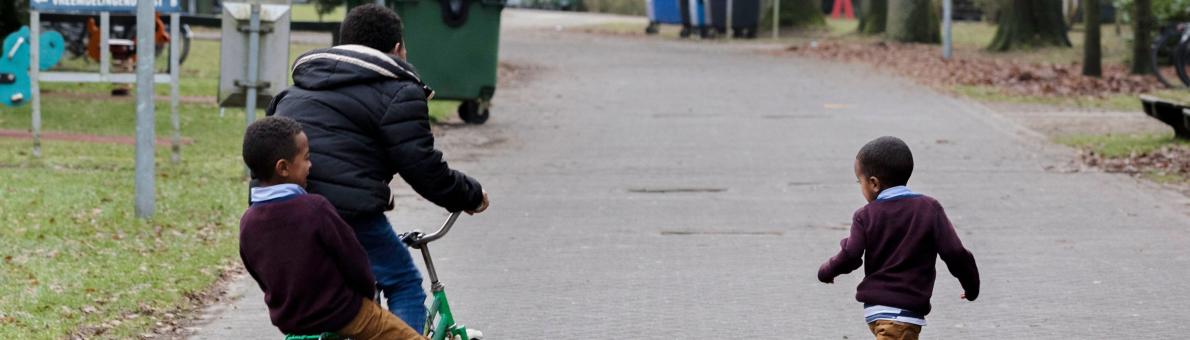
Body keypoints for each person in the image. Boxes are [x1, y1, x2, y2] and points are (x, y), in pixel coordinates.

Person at [265, 3, 489, 331]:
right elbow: (424, 168)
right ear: (397, 49)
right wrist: (471, 196)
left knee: (331, 293)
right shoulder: (399, 91)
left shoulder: (293, 92)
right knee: (403, 283)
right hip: (345, 213)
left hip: (277, 212)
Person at [238, 116, 422, 340]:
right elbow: (354, 259)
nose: (310, 165)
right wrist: (364, 296)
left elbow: (259, 274)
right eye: (306, 159)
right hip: (344, 313)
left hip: (294, 324)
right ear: (283, 168)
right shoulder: (315, 208)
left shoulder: (248, 221)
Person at [817, 136, 980, 340]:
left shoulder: (865, 215)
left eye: (861, 182)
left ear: (874, 183)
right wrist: (971, 286)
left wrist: (826, 271)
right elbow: (955, 253)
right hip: (903, 315)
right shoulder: (929, 209)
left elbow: (850, 255)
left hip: (881, 313)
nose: (861, 187)